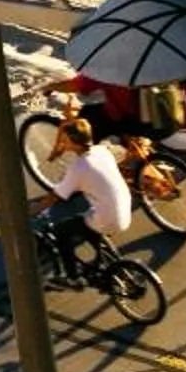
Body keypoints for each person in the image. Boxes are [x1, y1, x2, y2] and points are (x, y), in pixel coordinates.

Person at [35, 112, 133, 277]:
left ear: (74, 143)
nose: (63, 143)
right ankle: (104, 256)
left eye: (65, 140)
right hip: (124, 208)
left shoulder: (79, 167)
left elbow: (55, 196)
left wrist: (33, 210)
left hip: (108, 218)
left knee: (62, 231)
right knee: (86, 219)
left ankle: (72, 277)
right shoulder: (102, 151)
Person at [39, 67, 142, 143]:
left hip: (125, 118)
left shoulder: (113, 68)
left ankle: (88, 162)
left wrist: (50, 87)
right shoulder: (147, 65)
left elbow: (77, 84)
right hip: (150, 119)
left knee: (85, 122)